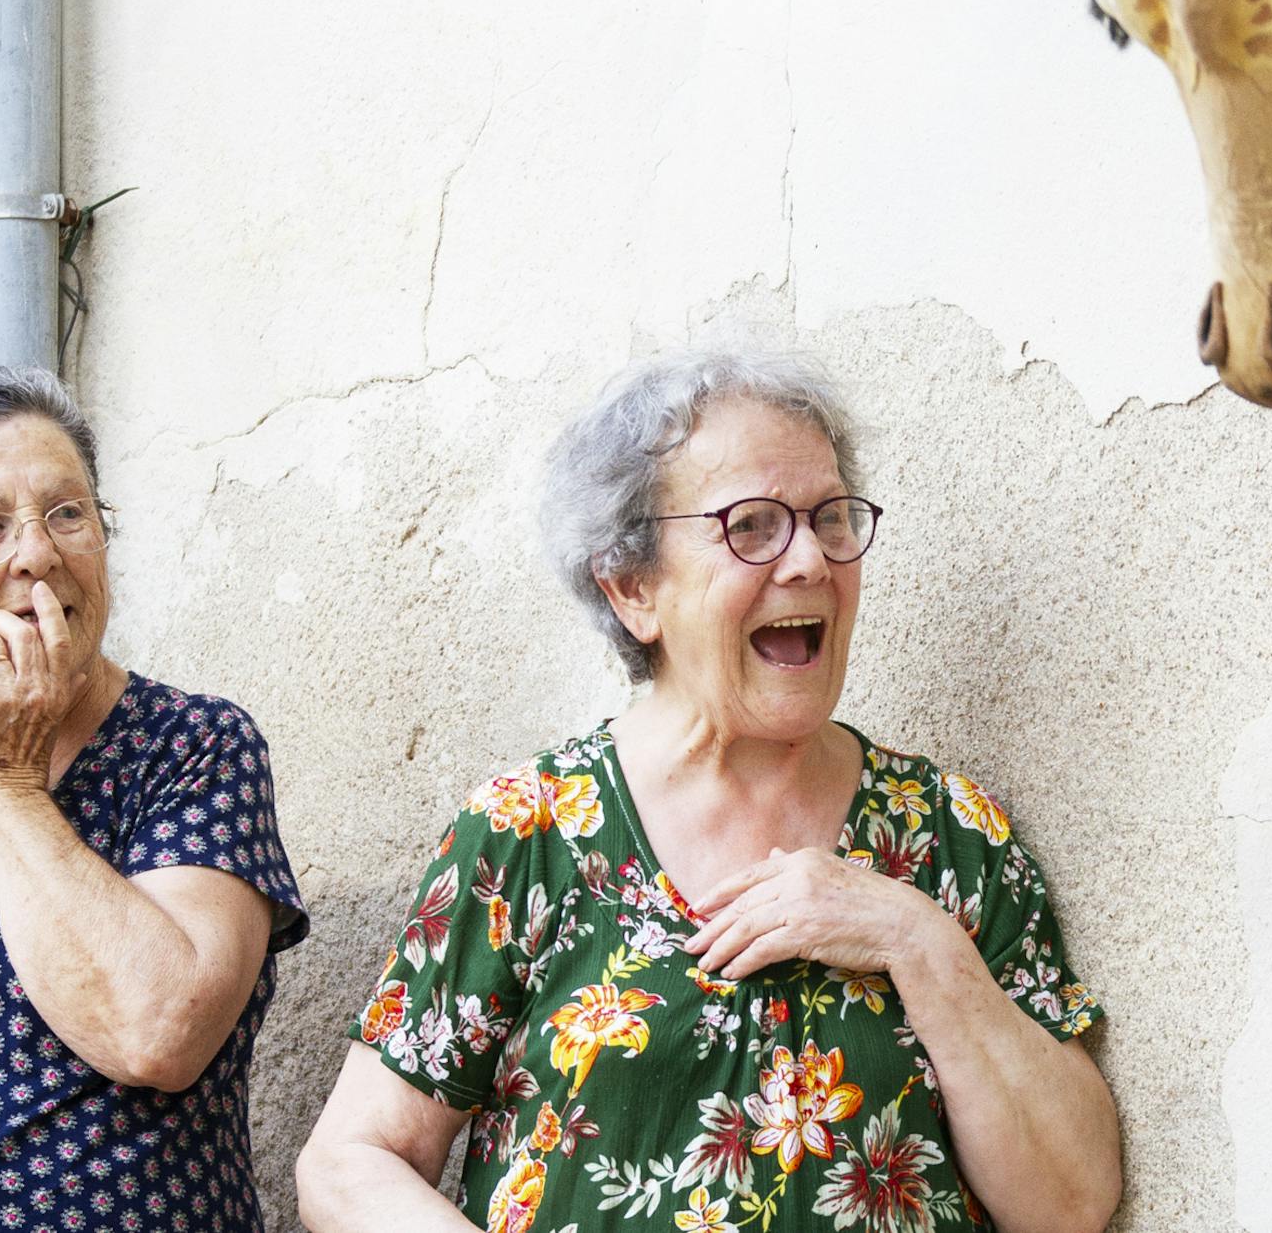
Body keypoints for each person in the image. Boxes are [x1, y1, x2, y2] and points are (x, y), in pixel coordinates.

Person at [296, 344, 1122, 1233]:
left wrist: (916, 940)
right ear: (633, 587)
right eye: (754, 525)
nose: (809, 560)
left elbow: (1069, 1202)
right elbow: (350, 1162)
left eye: (831, 518)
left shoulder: (951, 835)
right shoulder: (530, 831)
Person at [0, 366, 310, 1232]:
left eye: (68, 513)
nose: (37, 553)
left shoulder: (194, 747)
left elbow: (156, 1032)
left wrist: (4, 783)